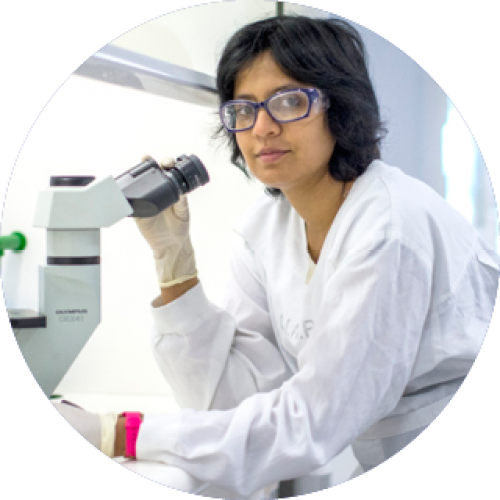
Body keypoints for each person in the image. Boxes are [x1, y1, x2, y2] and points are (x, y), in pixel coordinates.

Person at [53, 15, 499, 496]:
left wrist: (123, 432)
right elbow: (229, 399)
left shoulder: (388, 228)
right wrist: (174, 261)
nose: (261, 128)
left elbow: (313, 420)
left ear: (340, 107)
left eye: (289, 101)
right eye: (243, 109)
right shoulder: (266, 229)